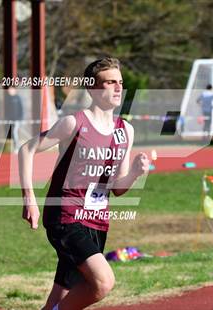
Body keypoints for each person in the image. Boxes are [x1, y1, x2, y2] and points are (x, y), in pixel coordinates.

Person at [18, 57, 149, 310]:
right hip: (66, 216)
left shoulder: (126, 131)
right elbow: (27, 149)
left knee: (61, 295)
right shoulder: (74, 123)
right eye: (110, 82)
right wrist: (29, 198)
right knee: (102, 282)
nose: (118, 88)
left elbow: (118, 188)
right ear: (93, 88)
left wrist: (134, 172)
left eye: (120, 82)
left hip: (97, 221)